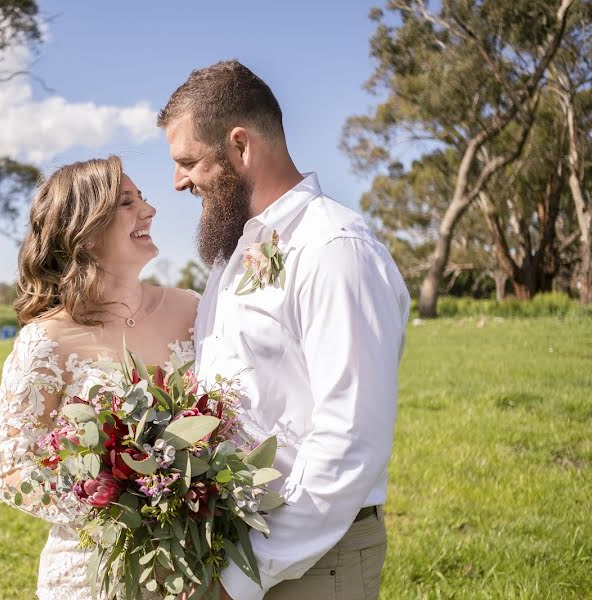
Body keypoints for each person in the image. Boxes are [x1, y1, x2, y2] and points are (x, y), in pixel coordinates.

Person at [158, 60, 411, 600]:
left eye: (187, 161)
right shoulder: (231, 259)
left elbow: (352, 437)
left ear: (240, 146)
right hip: (236, 542)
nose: (178, 180)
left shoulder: (334, 250)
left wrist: (247, 574)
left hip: (313, 554)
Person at [0, 156, 198, 600]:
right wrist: (116, 504)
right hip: (92, 574)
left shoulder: (191, 310)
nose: (149, 210)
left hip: (193, 565)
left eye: (142, 198)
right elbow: (10, 470)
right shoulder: (45, 341)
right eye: (128, 202)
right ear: (85, 232)